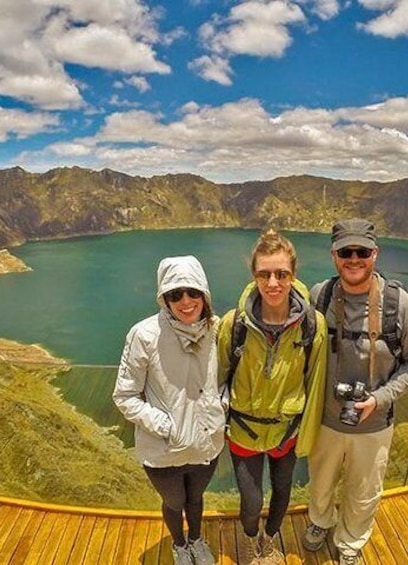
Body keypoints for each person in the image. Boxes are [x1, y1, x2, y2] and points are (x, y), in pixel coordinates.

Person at [302, 219, 408, 565]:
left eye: (362, 251)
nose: (354, 259)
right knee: (321, 481)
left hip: (373, 423)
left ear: (375, 253)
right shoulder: (319, 296)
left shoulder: (401, 306)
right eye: (346, 252)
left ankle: (350, 544)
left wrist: (380, 398)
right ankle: (320, 522)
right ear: (334, 255)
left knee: (364, 492)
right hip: (326, 419)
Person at [217, 229, 327, 565]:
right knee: (251, 501)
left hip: (286, 431)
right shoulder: (233, 324)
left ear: (294, 275)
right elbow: (218, 377)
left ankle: (269, 538)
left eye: (282, 274)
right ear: (254, 276)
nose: (273, 283)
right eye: (264, 274)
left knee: (282, 492)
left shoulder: (312, 325)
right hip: (243, 430)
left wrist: (306, 437)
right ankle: (251, 540)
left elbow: (316, 383)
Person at [114, 256, 225, 565]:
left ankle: (196, 540)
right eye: (175, 294)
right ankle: (180, 545)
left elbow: (226, 379)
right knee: (174, 501)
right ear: (164, 299)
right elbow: (124, 395)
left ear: (204, 294)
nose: (186, 301)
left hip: (205, 443)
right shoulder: (145, 335)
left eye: (192, 292)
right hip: (164, 449)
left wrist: (220, 408)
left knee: (196, 498)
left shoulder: (218, 332)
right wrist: (165, 426)